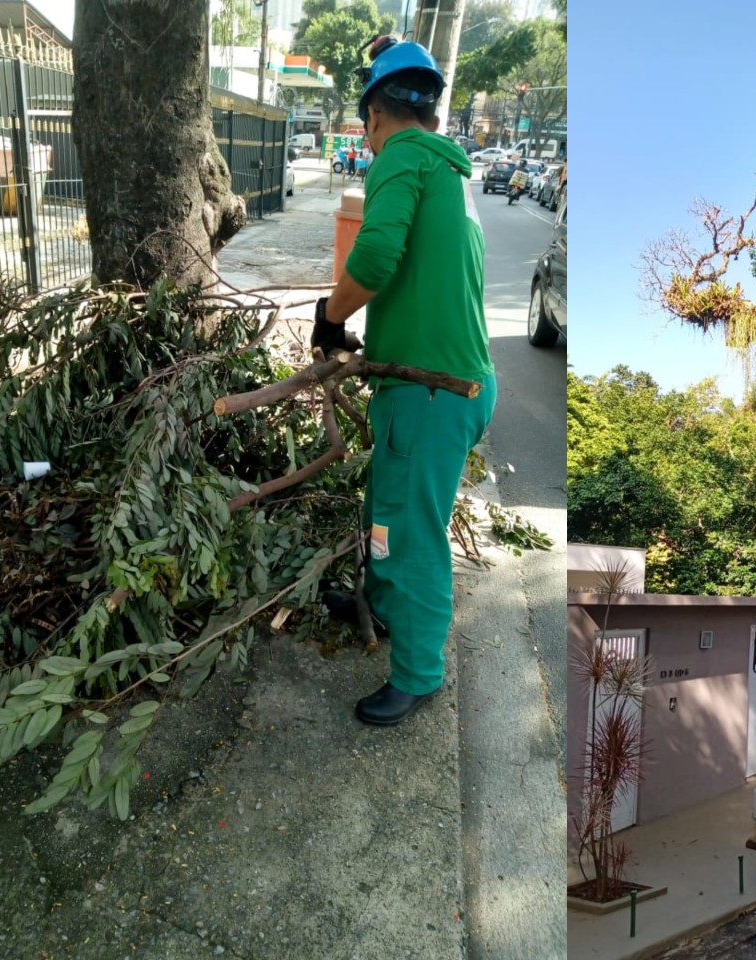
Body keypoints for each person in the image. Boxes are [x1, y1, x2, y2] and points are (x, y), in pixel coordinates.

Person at [311, 37, 497, 726]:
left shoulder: (399, 160)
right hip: (444, 387)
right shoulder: (449, 171)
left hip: (432, 394)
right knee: (385, 508)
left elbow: (378, 252)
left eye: (366, 125)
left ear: (375, 116)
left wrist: (329, 320)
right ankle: (382, 606)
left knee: (411, 532)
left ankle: (419, 674)